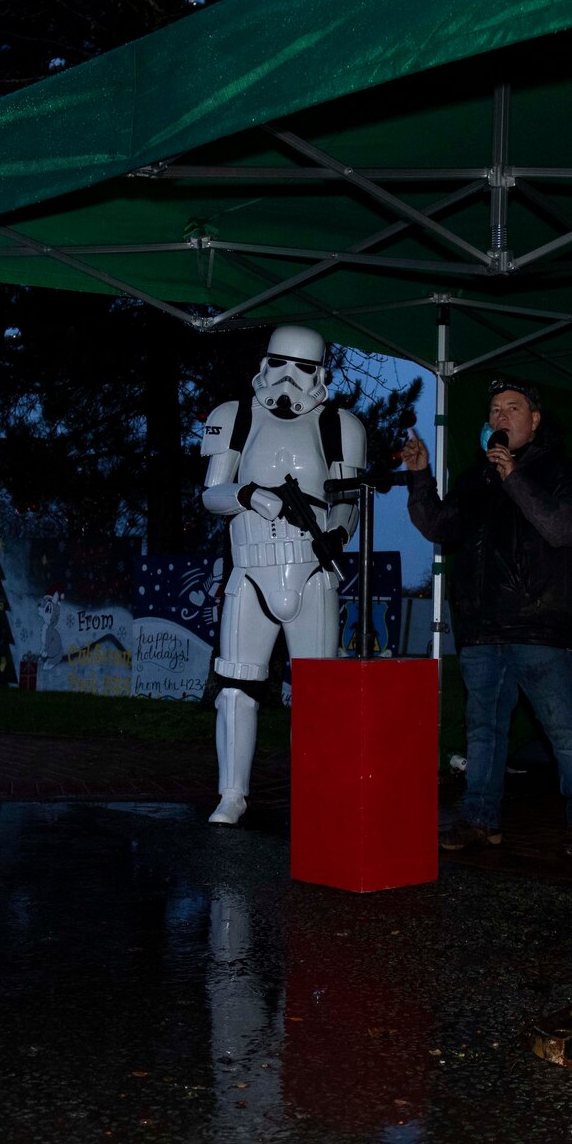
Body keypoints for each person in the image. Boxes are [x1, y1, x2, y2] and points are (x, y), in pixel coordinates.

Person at [400, 380, 572, 856]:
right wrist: (421, 477)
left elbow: (564, 529)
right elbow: (439, 527)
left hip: (537, 629)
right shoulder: (474, 480)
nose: (501, 417)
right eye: (494, 410)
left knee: (565, 732)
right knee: (484, 731)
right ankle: (479, 819)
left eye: (513, 408)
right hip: (481, 631)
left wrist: (515, 478)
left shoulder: (563, 474)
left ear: (535, 420)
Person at [199, 324, 365, 826]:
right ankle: (232, 793)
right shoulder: (235, 417)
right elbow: (211, 493)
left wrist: (334, 534)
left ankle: (316, 792)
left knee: (318, 692)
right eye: (279, 363)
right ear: (263, 362)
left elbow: (348, 498)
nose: (288, 378)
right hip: (250, 570)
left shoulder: (341, 425)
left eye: (303, 368)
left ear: (321, 373)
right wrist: (247, 495)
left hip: (312, 571)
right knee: (235, 688)